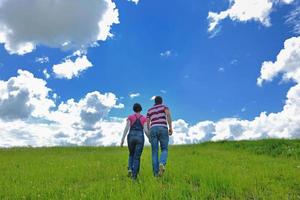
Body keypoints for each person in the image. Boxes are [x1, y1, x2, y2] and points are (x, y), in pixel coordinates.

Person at [121, 103, 149, 179]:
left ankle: (130, 169)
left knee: (131, 154)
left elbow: (126, 128)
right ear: (140, 109)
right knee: (137, 157)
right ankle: (134, 176)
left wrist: (122, 139)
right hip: (140, 137)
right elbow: (146, 130)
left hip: (131, 136)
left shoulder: (130, 117)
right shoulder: (144, 118)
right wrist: (149, 138)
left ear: (134, 109)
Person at [147, 96, 173, 177]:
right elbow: (168, 115)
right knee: (164, 149)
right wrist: (170, 127)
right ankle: (162, 163)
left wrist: (149, 132)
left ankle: (156, 174)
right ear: (161, 101)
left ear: (154, 102)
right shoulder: (164, 107)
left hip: (153, 129)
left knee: (154, 152)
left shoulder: (149, 110)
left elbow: (147, 122)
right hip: (163, 128)